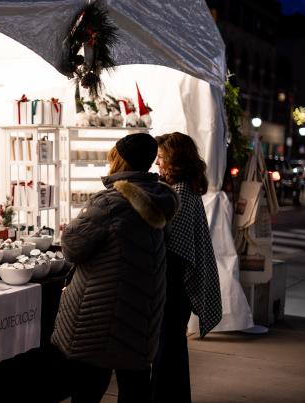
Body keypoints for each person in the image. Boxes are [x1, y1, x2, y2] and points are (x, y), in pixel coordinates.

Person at [51, 132, 179, 403]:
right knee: (134, 388)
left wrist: (72, 227)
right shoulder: (158, 197)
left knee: (87, 390)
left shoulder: (110, 202)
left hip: (102, 314)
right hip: (140, 310)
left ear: (120, 161)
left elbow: (72, 246)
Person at [151, 132, 223, 403]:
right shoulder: (188, 188)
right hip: (177, 283)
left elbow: (174, 248)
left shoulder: (178, 193)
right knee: (173, 350)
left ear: (174, 160)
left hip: (173, 283)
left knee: (167, 351)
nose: (158, 164)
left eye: (161, 158)